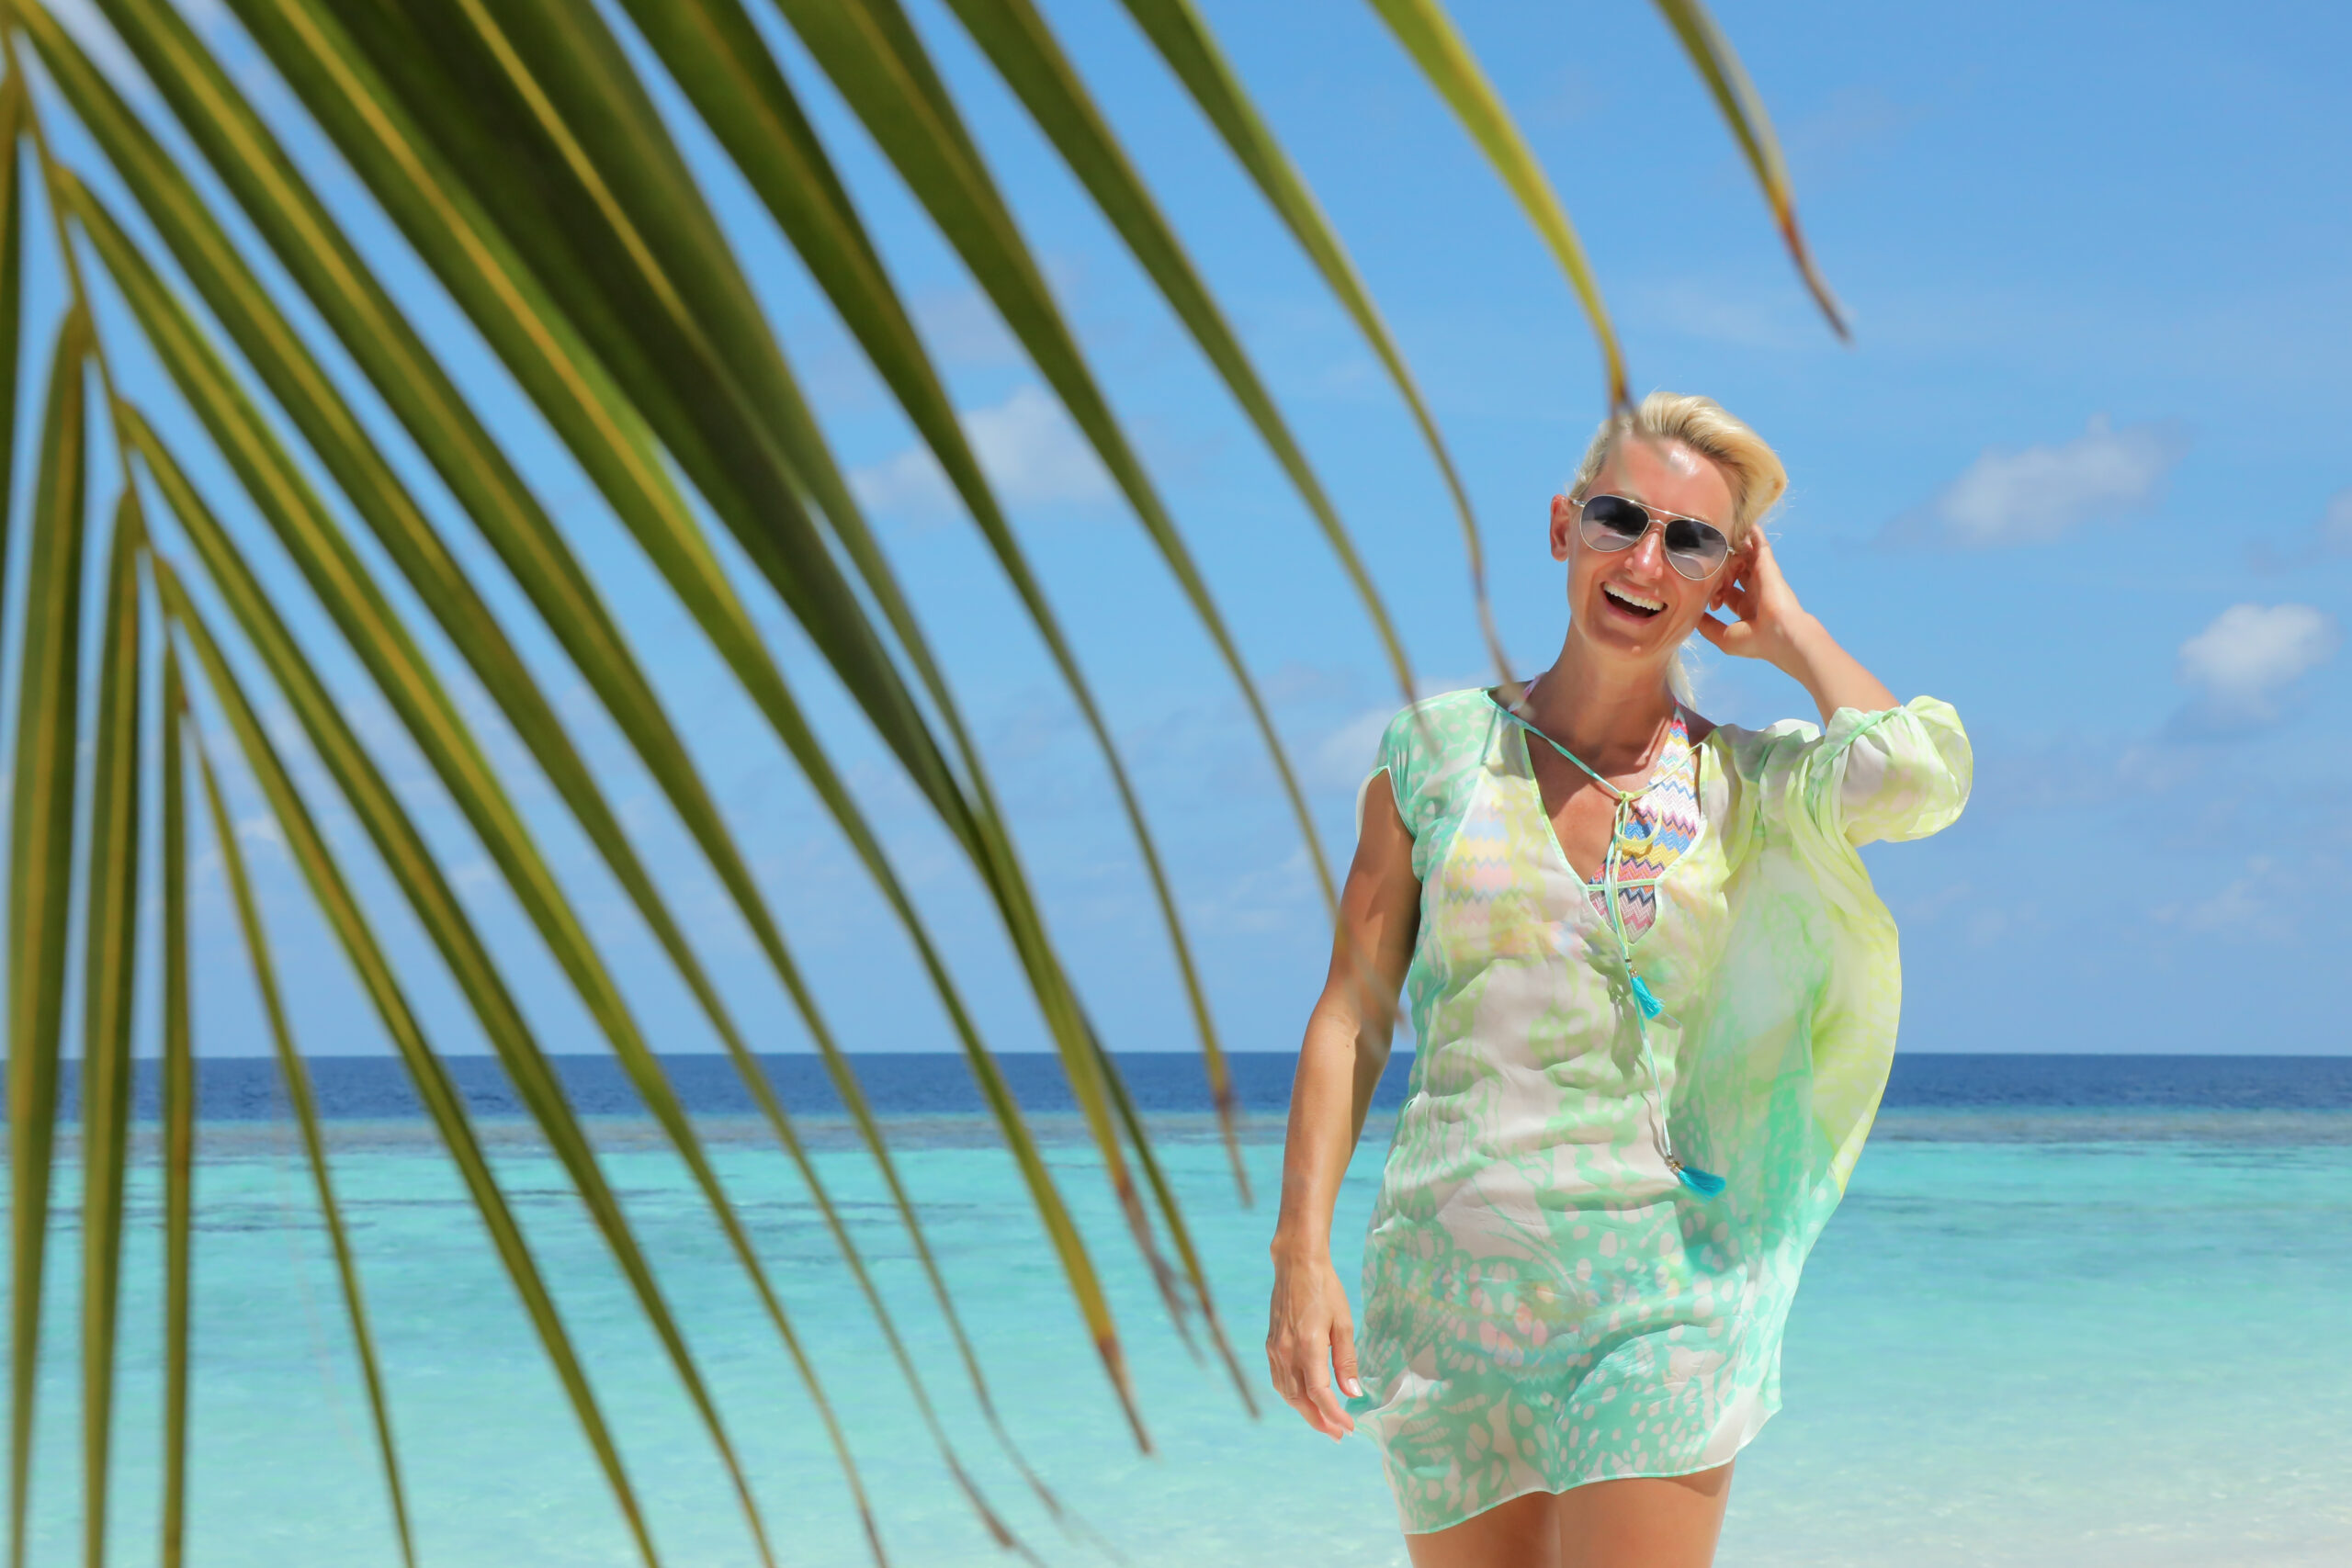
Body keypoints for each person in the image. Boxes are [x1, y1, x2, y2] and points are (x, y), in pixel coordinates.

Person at [1265, 393, 1973, 1567]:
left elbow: (1918, 779)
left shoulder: (1746, 788)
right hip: (1447, 1305)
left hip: (1661, 1301)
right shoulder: (1433, 757)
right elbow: (1350, 1016)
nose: (1646, 561)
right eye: (1619, 518)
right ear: (1562, 527)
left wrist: (1790, 633)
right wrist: (1302, 1252)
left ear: (1724, 575)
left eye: (1690, 541)